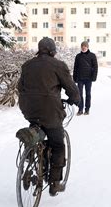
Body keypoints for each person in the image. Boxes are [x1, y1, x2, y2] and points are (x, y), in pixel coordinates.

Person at [18, 37, 80, 196]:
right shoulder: (58, 65)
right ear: (53, 51)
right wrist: (75, 98)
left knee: (35, 130)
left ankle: (32, 154)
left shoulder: (27, 65)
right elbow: (70, 87)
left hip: (29, 109)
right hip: (50, 111)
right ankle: (54, 183)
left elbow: (20, 87)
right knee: (58, 144)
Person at [73, 41, 98, 115]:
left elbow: (95, 67)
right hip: (80, 78)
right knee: (79, 94)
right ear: (81, 47)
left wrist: (94, 77)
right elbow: (75, 68)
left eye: (85, 46)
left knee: (88, 94)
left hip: (88, 78)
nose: (83, 47)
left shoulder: (92, 55)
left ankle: (87, 109)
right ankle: (80, 109)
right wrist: (74, 77)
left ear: (87, 47)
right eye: (82, 46)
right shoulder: (78, 56)